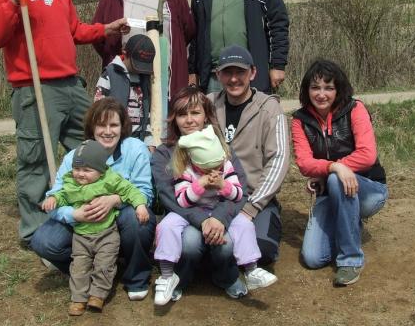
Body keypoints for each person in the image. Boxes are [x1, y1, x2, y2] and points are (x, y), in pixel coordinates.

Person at [0, 0, 129, 245]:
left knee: (92, 147)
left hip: (71, 84)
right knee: (35, 159)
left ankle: (93, 210)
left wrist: (106, 29)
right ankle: (36, 233)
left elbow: (74, 30)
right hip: (35, 87)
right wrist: (12, 1)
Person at [30, 98, 156, 301]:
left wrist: (114, 200)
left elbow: (145, 193)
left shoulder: (135, 149)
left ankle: (135, 277)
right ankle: (89, 272)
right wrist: (74, 214)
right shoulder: (74, 157)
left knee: (137, 220)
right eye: (101, 125)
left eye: (114, 125)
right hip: (84, 224)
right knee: (43, 241)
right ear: (92, 127)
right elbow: (55, 198)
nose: (108, 131)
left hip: (119, 217)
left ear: (122, 127)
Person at [153, 125, 277, 305]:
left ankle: (251, 270)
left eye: (217, 166)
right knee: (166, 226)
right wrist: (200, 184)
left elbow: (238, 195)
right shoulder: (185, 169)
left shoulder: (225, 165)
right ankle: (167, 276)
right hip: (192, 211)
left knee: (245, 224)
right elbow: (182, 201)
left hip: (218, 209)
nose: (213, 171)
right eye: (206, 168)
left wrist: (223, 185)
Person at [291, 59, 388, 286]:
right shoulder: (299, 120)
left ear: (338, 89)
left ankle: (350, 259)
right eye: (315, 87)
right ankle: (349, 224)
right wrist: (333, 167)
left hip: (369, 190)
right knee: (313, 258)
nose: (321, 94)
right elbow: (304, 163)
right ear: (306, 90)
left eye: (329, 87)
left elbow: (367, 155)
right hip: (331, 190)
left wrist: (332, 172)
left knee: (336, 180)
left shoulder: (355, 109)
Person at [152, 86, 250, 301]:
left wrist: (219, 217)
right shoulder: (164, 153)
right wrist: (201, 220)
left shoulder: (220, 146)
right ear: (174, 119)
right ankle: (180, 278)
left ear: (206, 116)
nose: (189, 120)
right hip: (185, 216)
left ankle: (227, 276)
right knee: (189, 242)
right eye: (182, 114)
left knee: (226, 243)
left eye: (195, 113)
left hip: (218, 212)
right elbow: (169, 197)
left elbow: (240, 187)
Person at [42, 140, 149, 314]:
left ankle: (98, 295)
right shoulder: (71, 182)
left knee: (104, 265)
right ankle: (78, 298)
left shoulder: (110, 179)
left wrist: (140, 205)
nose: (80, 174)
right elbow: (62, 195)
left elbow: (130, 190)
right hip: (81, 235)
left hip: (107, 233)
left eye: (87, 170)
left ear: (100, 170)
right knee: (79, 267)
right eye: (77, 169)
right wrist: (53, 199)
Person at [209, 45, 291, 265]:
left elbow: (278, 161)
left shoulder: (269, 108)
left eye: (240, 72)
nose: (234, 79)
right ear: (218, 75)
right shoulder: (208, 104)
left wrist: (251, 208)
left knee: (262, 251)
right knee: (205, 249)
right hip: (215, 196)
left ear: (253, 73)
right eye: (227, 72)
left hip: (254, 197)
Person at [94, 34, 155, 148]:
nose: (140, 69)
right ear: (125, 53)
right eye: (137, 64)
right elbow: (97, 110)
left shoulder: (144, 77)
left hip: (138, 141)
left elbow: (147, 113)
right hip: (114, 141)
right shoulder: (110, 74)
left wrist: (149, 142)